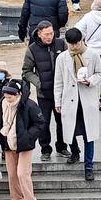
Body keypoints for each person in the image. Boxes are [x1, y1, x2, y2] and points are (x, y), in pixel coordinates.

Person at [54, 27, 101, 180]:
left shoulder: (93, 54)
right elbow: (58, 81)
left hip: (87, 99)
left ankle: (88, 165)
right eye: (71, 45)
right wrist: (58, 101)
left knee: (88, 134)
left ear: (81, 40)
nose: (74, 47)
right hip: (69, 99)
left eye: (76, 44)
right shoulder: (62, 58)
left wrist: (89, 81)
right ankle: (75, 151)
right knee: (69, 130)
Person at [0, 80, 44, 200]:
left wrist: (27, 136)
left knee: (22, 174)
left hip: (24, 145)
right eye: (5, 96)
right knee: (12, 175)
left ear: (18, 94)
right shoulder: (1, 104)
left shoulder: (29, 105)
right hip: (8, 144)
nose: (7, 99)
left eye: (10, 97)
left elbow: (39, 123)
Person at [22, 20, 69, 160]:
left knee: (62, 121)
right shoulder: (32, 49)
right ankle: (45, 149)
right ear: (39, 34)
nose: (50, 37)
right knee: (44, 122)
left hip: (61, 92)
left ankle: (62, 147)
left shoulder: (61, 44)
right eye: (46, 34)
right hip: (44, 93)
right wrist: (38, 83)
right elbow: (26, 70)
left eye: (52, 33)